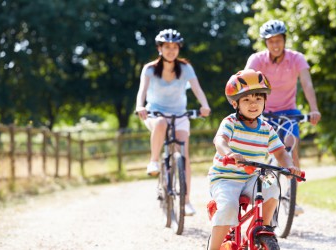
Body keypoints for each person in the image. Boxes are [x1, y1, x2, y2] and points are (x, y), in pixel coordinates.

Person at [207, 69, 300, 250]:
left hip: (252, 177)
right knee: (228, 208)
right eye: (247, 100)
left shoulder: (266, 128)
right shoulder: (230, 123)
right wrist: (229, 153)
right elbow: (219, 140)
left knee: (272, 187)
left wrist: (289, 166)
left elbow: (280, 152)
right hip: (225, 178)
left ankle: (260, 230)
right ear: (235, 103)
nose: (253, 104)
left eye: (258, 99)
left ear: (265, 101)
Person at [244, 19, 321, 215]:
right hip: (264, 112)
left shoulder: (297, 59)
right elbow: (246, 81)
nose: (275, 45)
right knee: (260, 151)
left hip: (288, 111)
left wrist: (314, 109)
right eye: (271, 41)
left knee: (291, 144)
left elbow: (307, 85)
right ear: (265, 43)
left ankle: (291, 198)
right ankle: (256, 191)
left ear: (285, 40)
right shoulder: (257, 59)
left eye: (279, 40)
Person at [135, 29, 211, 216]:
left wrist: (205, 105)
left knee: (183, 154)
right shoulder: (150, 69)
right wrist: (140, 106)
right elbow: (142, 91)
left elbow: (197, 89)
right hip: (155, 113)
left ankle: (186, 201)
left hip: (179, 115)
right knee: (160, 123)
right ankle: (153, 161)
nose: (171, 50)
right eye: (167, 47)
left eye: (175, 47)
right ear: (159, 48)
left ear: (179, 49)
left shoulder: (185, 68)